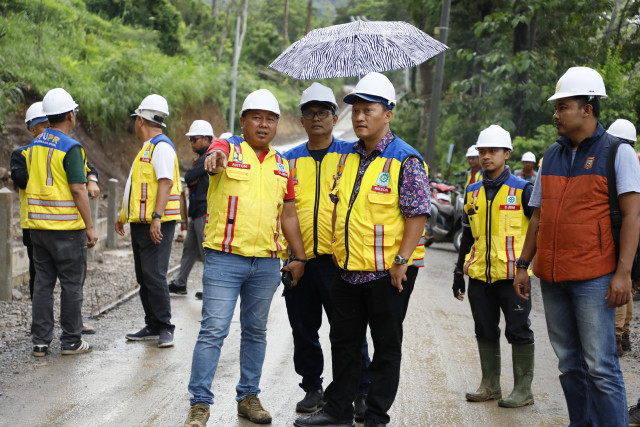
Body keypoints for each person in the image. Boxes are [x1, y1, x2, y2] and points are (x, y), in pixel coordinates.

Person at [294, 72, 430, 427]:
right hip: (348, 271)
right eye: (355, 110)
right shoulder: (348, 157)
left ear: (388, 114)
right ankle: (338, 410)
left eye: (368, 110)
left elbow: (417, 215)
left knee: (385, 346)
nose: (359, 117)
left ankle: (375, 416)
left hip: (388, 273)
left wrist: (401, 262)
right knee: (344, 343)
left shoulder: (406, 159)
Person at [513, 67, 640, 426]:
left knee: (600, 365)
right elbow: (538, 216)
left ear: (587, 108)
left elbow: (633, 217)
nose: (555, 114)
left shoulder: (618, 153)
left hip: (595, 277)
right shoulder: (550, 156)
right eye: (556, 108)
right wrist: (523, 265)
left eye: (563, 106)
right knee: (569, 363)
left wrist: (623, 275)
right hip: (552, 277)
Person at [184, 89, 306, 427]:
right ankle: (200, 403)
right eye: (257, 117)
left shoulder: (282, 165)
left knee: (255, 332)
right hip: (225, 258)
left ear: (277, 124)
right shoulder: (228, 149)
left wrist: (300, 257)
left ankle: (248, 396)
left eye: (270, 119)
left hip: (266, 263)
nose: (264, 125)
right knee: (214, 331)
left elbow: (290, 215)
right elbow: (215, 151)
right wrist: (214, 154)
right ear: (243, 121)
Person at [282, 83, 371, 418]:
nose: (316, 118)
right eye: (310, 112)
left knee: (348, 332)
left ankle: (360, 391)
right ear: (301, 119)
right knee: (304, 329)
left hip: (341, 263)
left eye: (323, 112)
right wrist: (293, 255)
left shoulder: (352, 155)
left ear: (336, 117)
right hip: (298, 261)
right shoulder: (288, 160)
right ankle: (312, 387)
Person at [452, 125, 535, 408]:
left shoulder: (524, 189)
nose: (486, 156)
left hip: (513, 277)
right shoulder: (472, 191)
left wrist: (527, 267)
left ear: (506, 153)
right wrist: (458, 272)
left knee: (518, 330)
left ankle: (524, 390)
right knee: (484, 329)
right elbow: (467, 235)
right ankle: (490, 386)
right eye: (482, 151)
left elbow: (538, 232)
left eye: (492, 151)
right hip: (479, 277)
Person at [12, 101, 99, 334]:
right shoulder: (63, 148)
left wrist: (91, 177)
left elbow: (88, 169)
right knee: (63, 284)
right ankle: (69, 338)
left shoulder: (39, 148)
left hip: (41, 226)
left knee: (45, 283)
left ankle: (43, 337)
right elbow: (76, 188)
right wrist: (90, 226)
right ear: (70, 115)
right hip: (57, 228)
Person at [116, 94, 182, 348]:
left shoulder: (161, 147)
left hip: (157, 223)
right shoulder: (148, 148)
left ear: (141, 120)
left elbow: (165, 182)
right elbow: (135, 188)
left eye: (136, 119)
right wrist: (122, 217)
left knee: (154, 274)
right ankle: (153, 324)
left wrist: (156, 217)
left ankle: (165, 326)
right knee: (144, 276)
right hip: (141, 223)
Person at [168, 120, 215, 296]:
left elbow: (189, 176)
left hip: (204, 212)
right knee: (189, 249)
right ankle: (180, 282)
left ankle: (211, 288)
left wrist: (193, 177)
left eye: (194, 139)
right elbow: (191, 177)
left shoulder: (209, 157)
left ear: (205, 139)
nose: (192, 143)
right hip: (197, 212)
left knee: (206, 253)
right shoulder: (202, 159)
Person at [607, 118, 638, 356]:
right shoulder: (633, 162)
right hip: (633, 234)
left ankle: (617, 338)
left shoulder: (616, 159)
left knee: (617, 284)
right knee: (626, 285)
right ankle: (624, 335)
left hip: (621, 231)